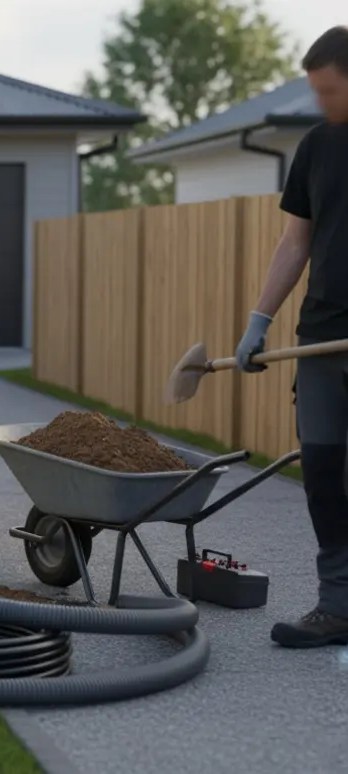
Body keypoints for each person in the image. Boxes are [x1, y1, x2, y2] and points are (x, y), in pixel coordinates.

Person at [235, 26, 348, 648]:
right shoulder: (317, 146)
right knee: (324, 474)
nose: (320, 102)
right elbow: (295, 241)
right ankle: (337, 605)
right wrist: (261, 320)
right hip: (322, 337)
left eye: (329, 90)